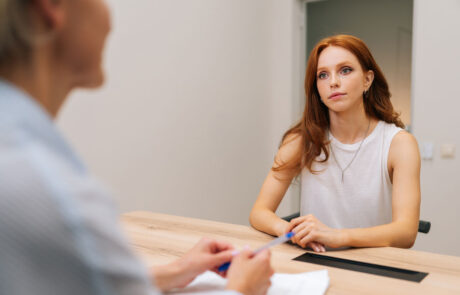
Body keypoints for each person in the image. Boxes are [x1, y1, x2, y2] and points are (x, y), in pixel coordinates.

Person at [0, 0, 273, 294]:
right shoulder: (51, 196)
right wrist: (242, 289)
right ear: (52, 5)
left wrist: (174, 271)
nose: (109, 17)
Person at [250, 34, 421, 253]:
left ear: (368, 80)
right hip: (315, 262)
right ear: (317, 88)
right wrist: (287, 230)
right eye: (322, 75)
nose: (333, 82)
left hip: (374, 266)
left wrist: (337, 236)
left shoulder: (399, 144)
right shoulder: (301, 141)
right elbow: (259, 212)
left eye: (345, 70)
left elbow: (406, 233)